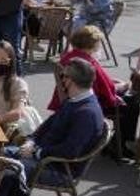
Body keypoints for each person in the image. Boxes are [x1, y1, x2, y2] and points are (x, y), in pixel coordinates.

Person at [6, 58, 106, 187]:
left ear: (69, 80)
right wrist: (32, 141)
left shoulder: (87, 114)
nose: (61, 79)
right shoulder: (74, 100)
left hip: (59, 170)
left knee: (6, 171)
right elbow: (47, 125)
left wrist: (37, 151)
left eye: (62, 75)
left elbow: (70, 150)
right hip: (42, 157)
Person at [51, 26, 138, 155]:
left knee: (128, 98)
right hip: (88, 104)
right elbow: (105, 90)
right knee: (133, 103)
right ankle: (119, 144)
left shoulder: (69, 58)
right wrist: (123, 85)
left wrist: (111, 82)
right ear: (92, 44)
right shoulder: (88, 63)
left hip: (68, 100)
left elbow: (99, 82)